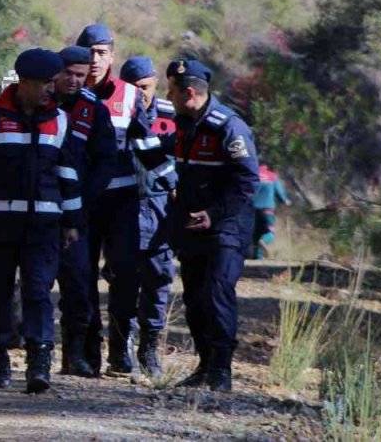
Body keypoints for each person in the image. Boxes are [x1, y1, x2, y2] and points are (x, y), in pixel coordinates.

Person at [0, 48, 85, 394]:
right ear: (24, 82)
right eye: (45, 84)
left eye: (53, 84)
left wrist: (72, 221)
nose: (51, 91)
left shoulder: (60, 120)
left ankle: (39, 362)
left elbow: (69, 174)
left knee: (38, 291)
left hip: (44, 225)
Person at [165, 59, 260, 393]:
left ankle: (221, 370)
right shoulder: (180, 124)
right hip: (192, 227)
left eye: (172, 91)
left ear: (189, 93)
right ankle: (204, 365)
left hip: (226, 227)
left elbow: (247, 182)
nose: (168, 96)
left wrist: (215, 214)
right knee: (194, 297)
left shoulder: (229, 128)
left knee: (217, 292)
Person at [74, 23, 142, 375]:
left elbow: (148, 147)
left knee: (126, 275)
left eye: (101, 52)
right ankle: (87, 351)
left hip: (121, 201)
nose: (95, 59)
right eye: (89, 52)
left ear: (113, 56)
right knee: (80, 277)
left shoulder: (130, 96)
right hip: (81, 202)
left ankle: (120, 349)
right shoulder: (67, 93)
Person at [53, 44, 116, 378]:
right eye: (69, 74)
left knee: (78, 284)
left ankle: (74, 355)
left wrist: (84, 200)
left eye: (81, 75)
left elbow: (106, 160)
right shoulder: (37, 102)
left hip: (77, 214)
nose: (76, 81)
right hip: (34, 209)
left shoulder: (95, 110)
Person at [120, 56, 178, 378]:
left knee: (158, 280)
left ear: (155, 83)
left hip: (160, 212)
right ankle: (124, 345)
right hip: (125, 209)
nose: (140, 94)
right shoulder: (115, 113)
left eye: (145, 87)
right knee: (123, 280)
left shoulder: (172, 115)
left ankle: (150, 347)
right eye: (133, 88)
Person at [252, 164, 291, 259]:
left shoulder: (253, 174)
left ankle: (257, 259)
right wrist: (286, 201)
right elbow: (280, 193)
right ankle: (263, 243)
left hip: (251, 210)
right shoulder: (272, 176)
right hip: (267, 209)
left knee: (255, 233)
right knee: (269, 233)